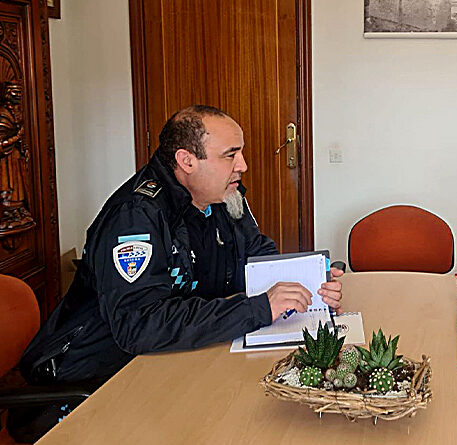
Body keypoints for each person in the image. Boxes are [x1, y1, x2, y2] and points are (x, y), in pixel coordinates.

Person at [9, 105, 343, 441]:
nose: (242, 165)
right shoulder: (136, 217)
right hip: (98, 382)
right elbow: (139, 324)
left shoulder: (222, 194)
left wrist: (310, 286)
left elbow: (255, 254)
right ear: (186, 161)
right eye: (230, 155)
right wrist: (256, 308)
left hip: (177, 359)